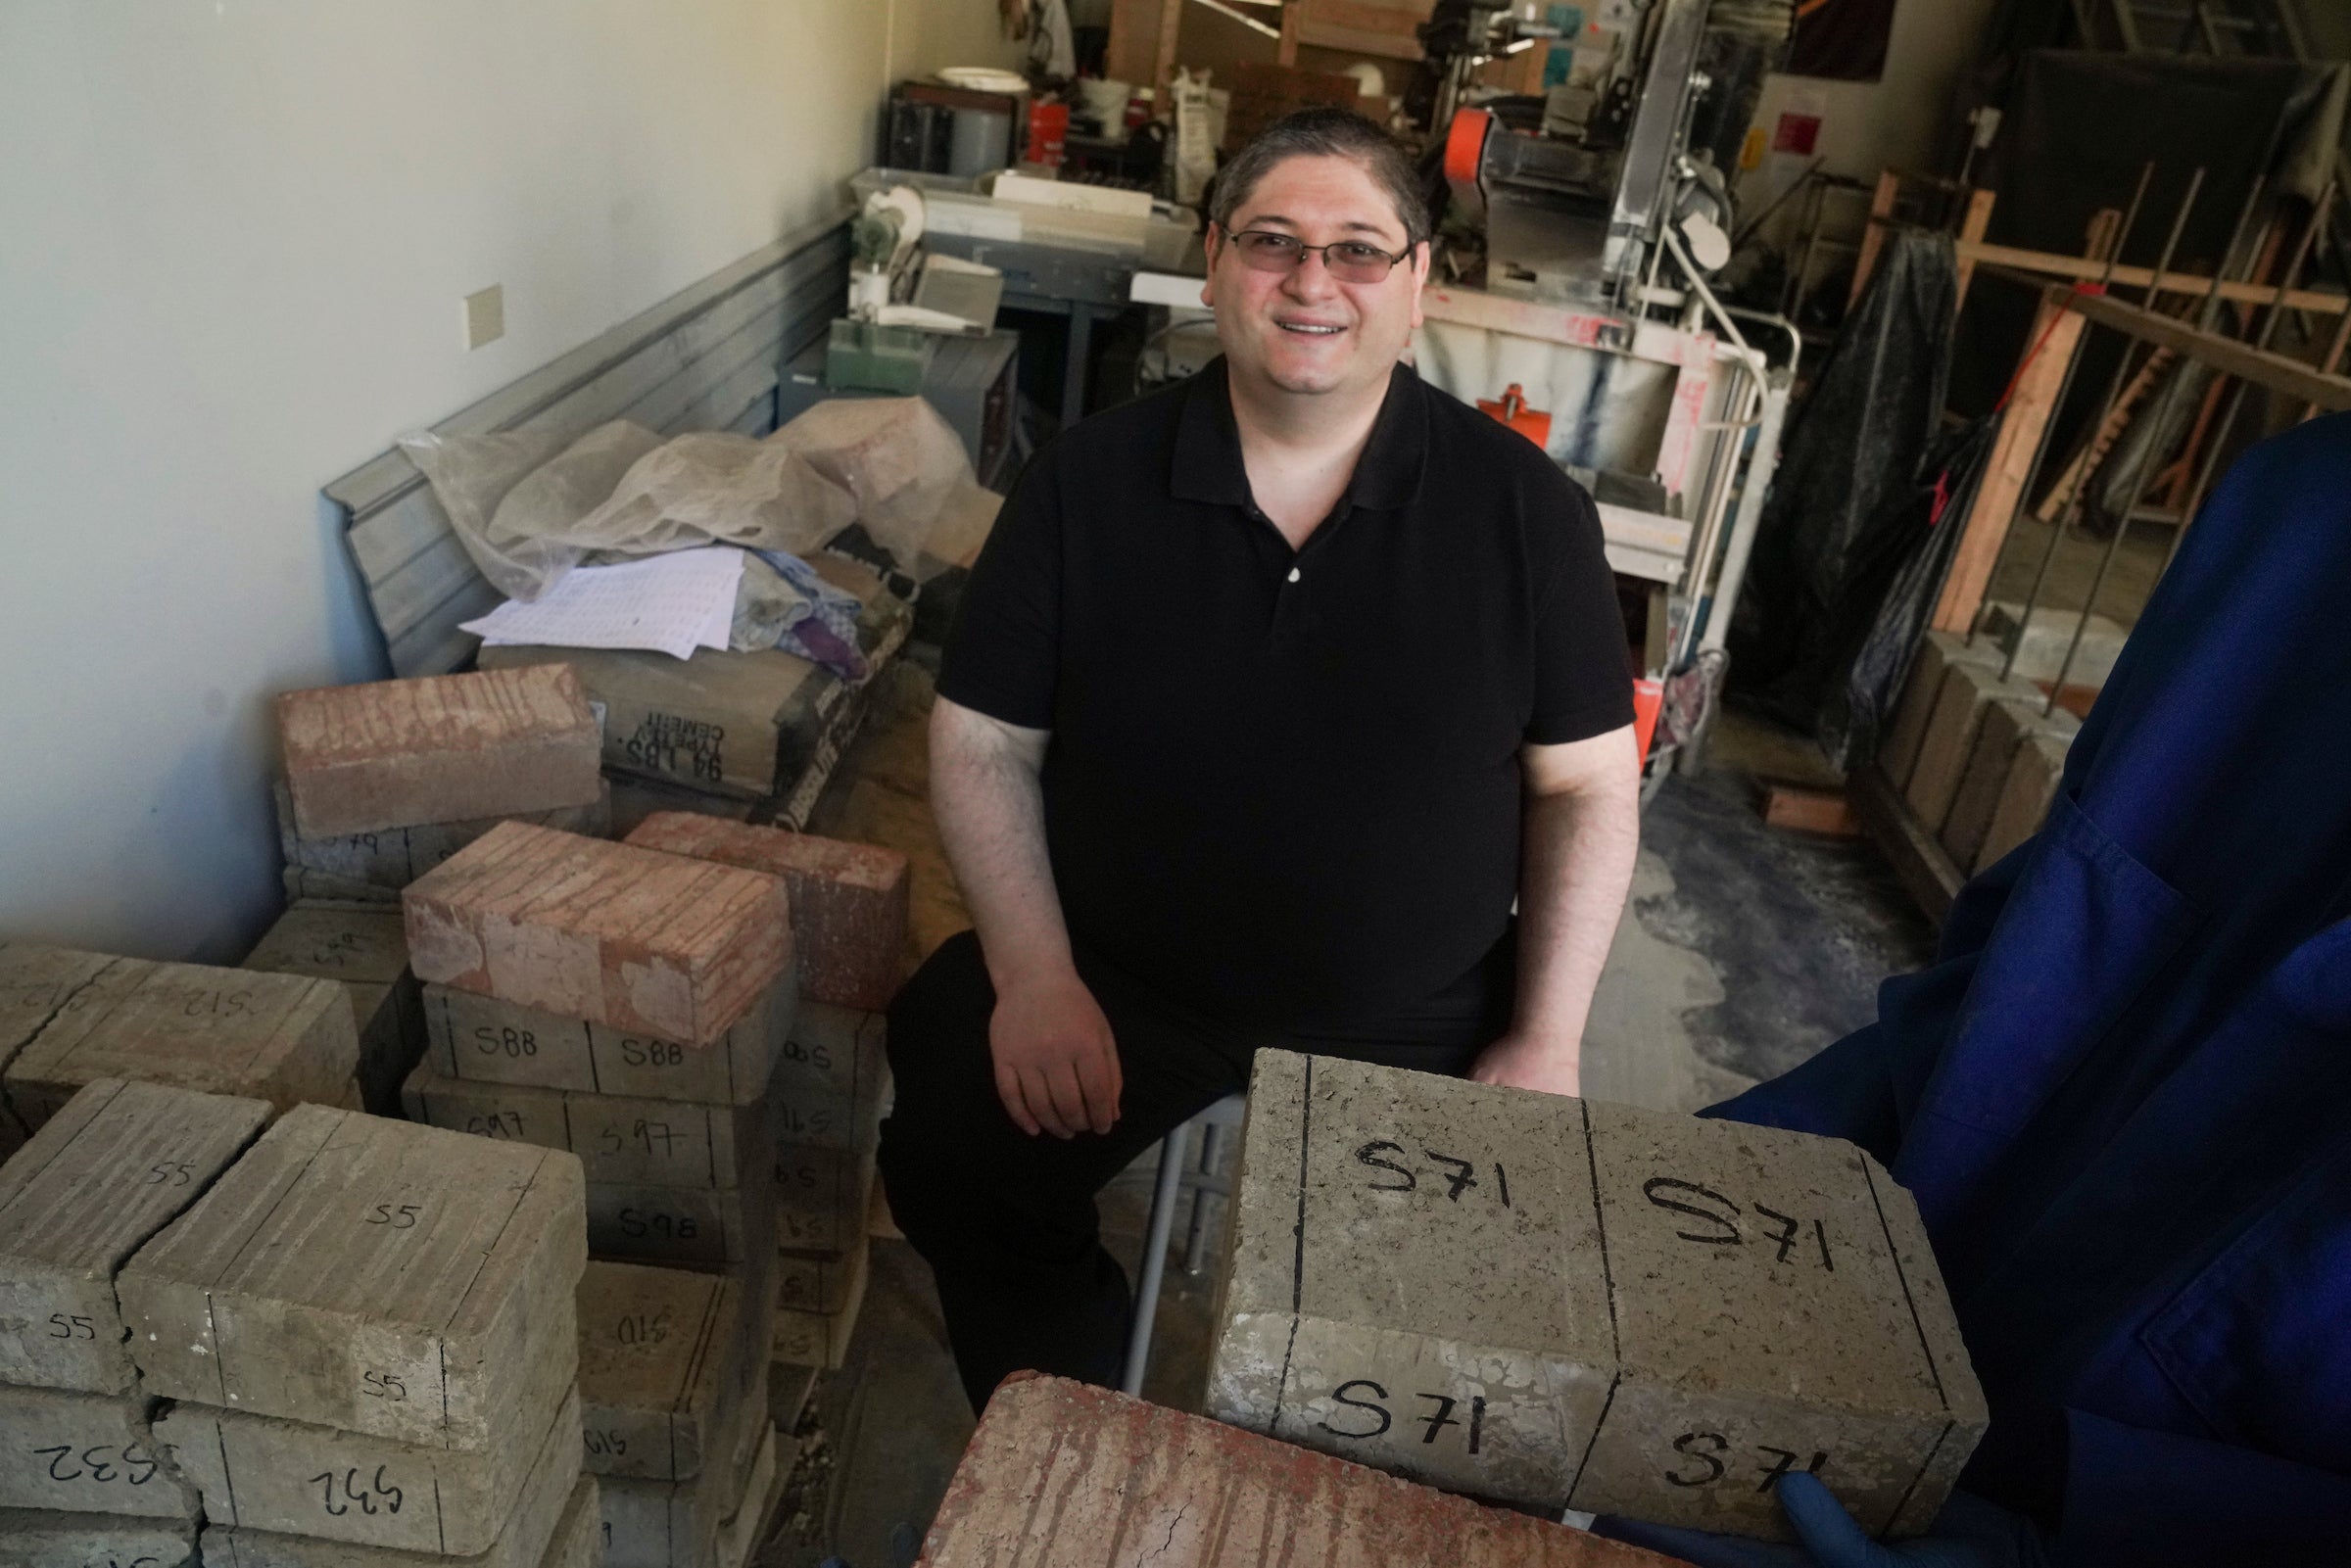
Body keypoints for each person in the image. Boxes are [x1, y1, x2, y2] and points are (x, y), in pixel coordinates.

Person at [878, 107, 1644, 1411]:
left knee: (1446, 1332)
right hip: (1125, 977)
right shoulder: (1086, 482)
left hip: (1423, 1016)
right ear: (1217, 262)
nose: (1310, 282)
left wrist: (1547, 1036)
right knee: (952, 1132)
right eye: (1273, 242)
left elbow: (1582, 787)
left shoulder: (1530, 518)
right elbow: (984, 742)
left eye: (1357, 250)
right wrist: (1037, 974)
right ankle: (1067, 1422)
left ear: (1417, 288)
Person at [1601, 413, 2351, 1566]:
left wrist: (2106, 1530)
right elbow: (2025, 966)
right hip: (1857, 1390)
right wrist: (1702, 1195)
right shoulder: (2303, 514)